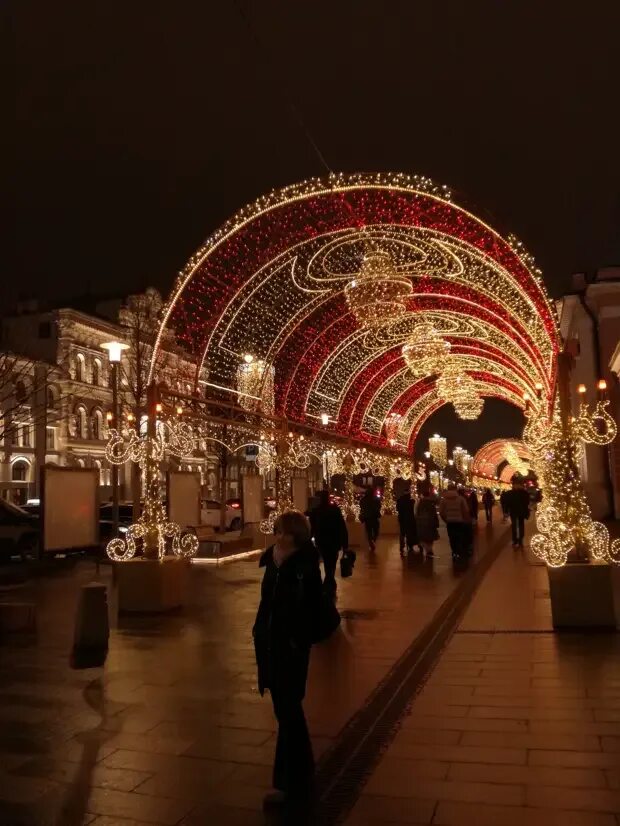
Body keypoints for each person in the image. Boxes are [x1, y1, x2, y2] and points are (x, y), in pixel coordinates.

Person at [253, 510, 323, 809]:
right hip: (271, 646)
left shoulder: (303, 566)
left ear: (298, 535)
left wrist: (298, 638)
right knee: (287, 715)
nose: (279, 536)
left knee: (289, 714)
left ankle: (293, 783)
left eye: (285, 532)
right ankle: (297, 778)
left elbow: (314, 608)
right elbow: (267, 603)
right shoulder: (274, 561)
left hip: (290, 649)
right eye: (277, 531)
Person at [309, 490, 349, 594]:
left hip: (321, 540)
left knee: (327, 561)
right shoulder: (335, 510)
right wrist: (345, 544)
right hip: (334, 540)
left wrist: (309, 539)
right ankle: (330, 580)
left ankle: (329, 580)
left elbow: (312, 528)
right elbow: (342, 527)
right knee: (331, 561)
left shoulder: (317, 511)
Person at [440, 482, 472, 558]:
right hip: (459, 521)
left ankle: (454, 552)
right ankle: (459, 552)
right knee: (459, 536)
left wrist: (446, 519)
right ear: (455, 489)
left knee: (451, 537)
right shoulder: (461, 499)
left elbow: (441, 512)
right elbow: (466, 510)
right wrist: (466, 519)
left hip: (450, 522)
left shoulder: (444, 500)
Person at [415, 481, 439, 558]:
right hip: (430, 523)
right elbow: (434, 514)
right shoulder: (431, 503)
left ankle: (427, 549)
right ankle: (429, 550)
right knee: (430, 538)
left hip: (422, 523)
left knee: (423, 537)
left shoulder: (420, 503)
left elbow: (416, 513)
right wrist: (436, 522)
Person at [504, 479, 530, 548]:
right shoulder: (525, 493)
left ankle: (515, 541)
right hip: (521, 511)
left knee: (514, 526)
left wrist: (506, 511)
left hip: (513, 511)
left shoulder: (510, 493)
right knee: (521, 525)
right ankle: (520, 540)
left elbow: (507, 503)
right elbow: (527, 503)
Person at [396, 484, 419, 555]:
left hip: (402, 519)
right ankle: (410, 546)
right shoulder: (412, 501)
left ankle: (401, 546)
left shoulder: (399, 500)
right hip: (410, 519)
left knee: (402, 533)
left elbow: (397, 509)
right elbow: (414, 510)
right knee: (410, 533)